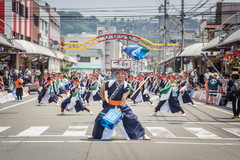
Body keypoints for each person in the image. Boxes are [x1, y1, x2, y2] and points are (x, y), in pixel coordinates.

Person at [89, 70, 150, 140]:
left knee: (132, 119)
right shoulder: (110, 83)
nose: (120, 75)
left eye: (122, 74)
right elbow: (102, 89)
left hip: (122, 105)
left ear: (125, 76)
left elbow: (124, 97)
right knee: (99, 119)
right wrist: (103, 100)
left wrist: (119, 108)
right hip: (110, 105)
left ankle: (143, 135)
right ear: (116, 75)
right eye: (118, 74)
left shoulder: (127, 86)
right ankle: (96, 135)